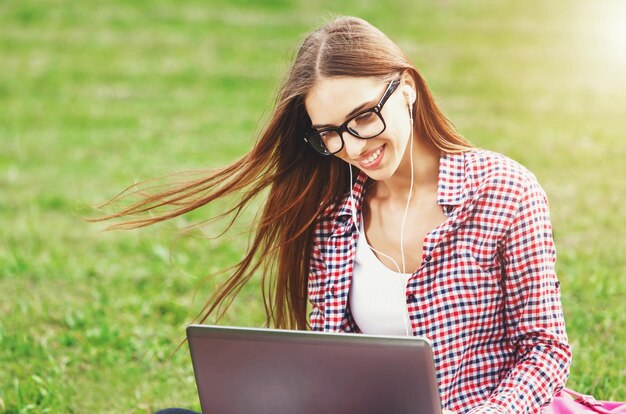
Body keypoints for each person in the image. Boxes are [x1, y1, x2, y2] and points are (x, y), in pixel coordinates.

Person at [96, 16, 571, 414]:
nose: (354, 147)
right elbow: (333, 365)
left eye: (364, 116)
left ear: (406, 88)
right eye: (330, 133)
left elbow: (545, 351)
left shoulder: (505, 191)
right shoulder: (331, 216)